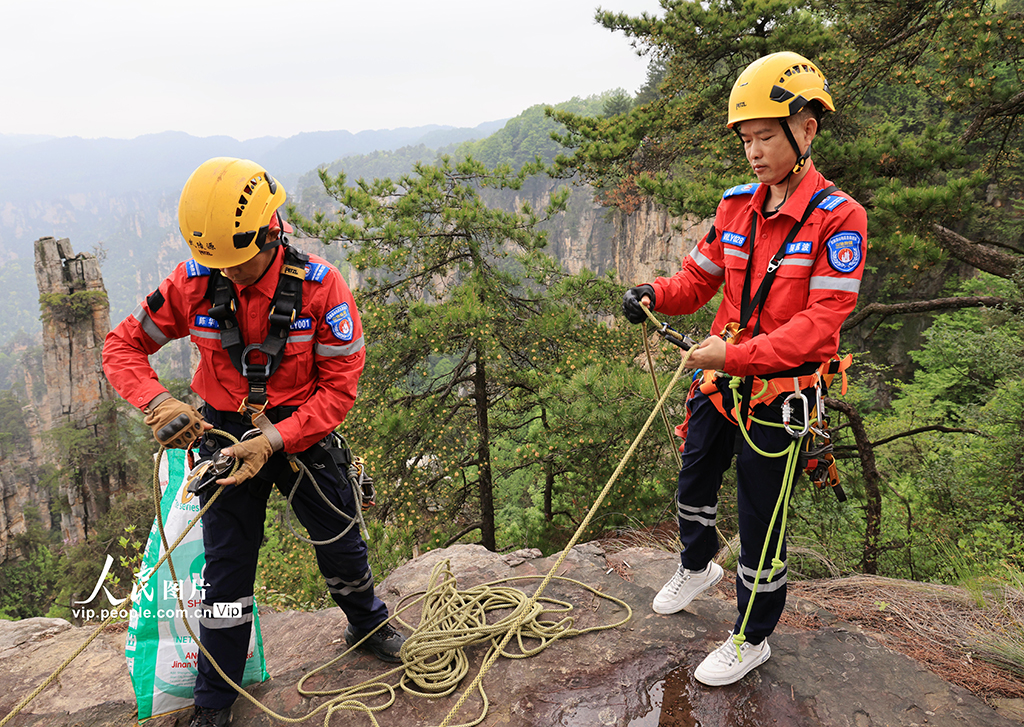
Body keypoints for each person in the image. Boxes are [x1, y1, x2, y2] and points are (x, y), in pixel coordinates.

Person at [103, 157, 406, 727]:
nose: (232, 274)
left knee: (339, 541)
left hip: (302, 432)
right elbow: (122, 348)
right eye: (221, 263)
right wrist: (158, 402)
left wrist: (275, 440)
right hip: (221, 432)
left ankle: (366, 622)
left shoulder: (322, 290)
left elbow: (339, 390)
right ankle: (216, 697)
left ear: (273, 233)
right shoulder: (191, 282)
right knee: (225, 571)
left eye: (241, 262)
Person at [622, 52, 866, 686]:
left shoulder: (840, 220)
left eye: (766, 137)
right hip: (722, 379)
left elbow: (819, 327)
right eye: (747, 140)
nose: (754, 153)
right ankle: (698, 564)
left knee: (760, 518)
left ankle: (752, 635)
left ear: (806, 129)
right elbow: (696, 280)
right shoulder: (735, 208)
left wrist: (734, 354)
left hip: (778, 393)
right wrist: (654, 293)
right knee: (694, 476)